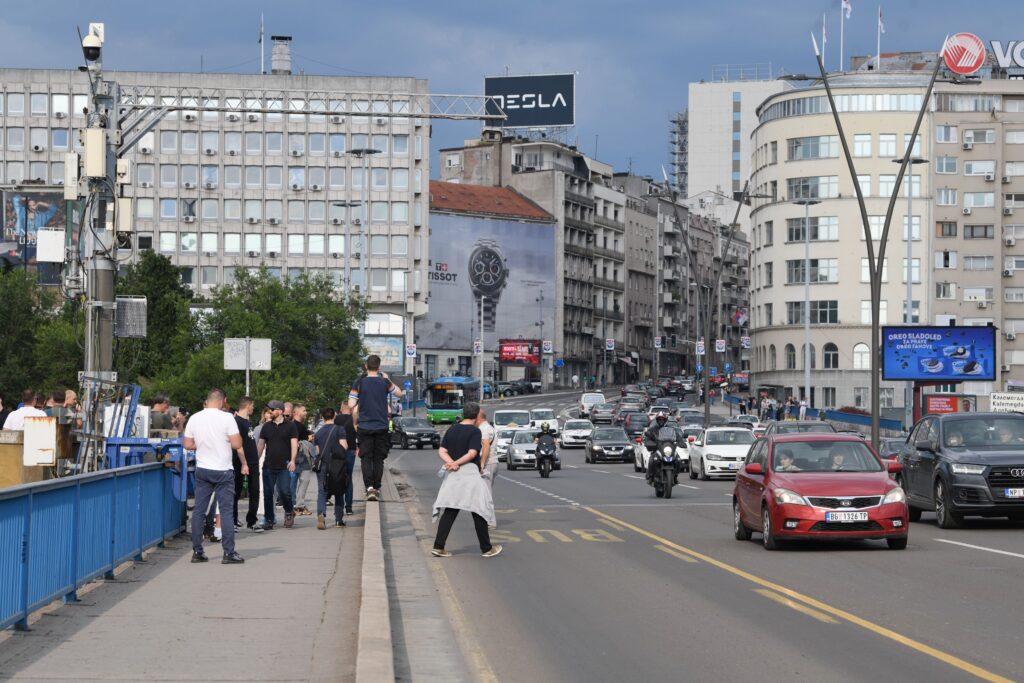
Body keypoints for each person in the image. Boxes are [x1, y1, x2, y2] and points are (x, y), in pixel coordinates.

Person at [430, 402, 501, 558]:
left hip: (453, 476)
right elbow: (471, 453)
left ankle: (438, 546)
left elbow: (442, 450)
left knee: (450, 509)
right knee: (479, 510)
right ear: (476, 417)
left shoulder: (452, 429)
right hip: (469, 474)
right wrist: (456, 463)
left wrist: (450, 462)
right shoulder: (474, 431)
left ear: (462, 414)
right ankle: (486, 548)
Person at [184, 389, 244, 564]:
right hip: (223, 470)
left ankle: (197, 551)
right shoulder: (227, 418)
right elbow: (237, 443)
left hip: (202, 469)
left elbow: (187, 444)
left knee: (199, 511)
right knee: (226, 512)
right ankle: (228, 553)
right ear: (223, 401)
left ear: (207, 400)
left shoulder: (194, 418)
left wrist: (203, 445)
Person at [349, 354, 404, 502]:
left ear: (366, 366)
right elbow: (399, 393)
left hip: (364, 426)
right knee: (379, 459)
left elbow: (350, 405)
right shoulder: (384, 382)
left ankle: (369, 489)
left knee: (366, 458)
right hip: (381, 426)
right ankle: (377, 487)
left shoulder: (359, 382)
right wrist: (387, 379)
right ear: (379, 367)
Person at [257, 400, 298, 529]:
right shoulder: (266, 426)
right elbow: (261, 445)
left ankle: (289, 512)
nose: (270, 412)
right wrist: (254, 462)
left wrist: (292, 460)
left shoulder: (290, 426)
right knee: (268, 493)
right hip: (268, 465)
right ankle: (269, 519)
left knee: (284, 491)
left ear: (280, 411)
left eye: (272, 409)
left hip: (284, 465)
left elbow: (294, 445)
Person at [314, 407, 349, 529]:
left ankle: (321, 514)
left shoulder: (318, 433)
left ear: (323, 418)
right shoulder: (339, 429)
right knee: (339, 491)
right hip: (336, 465)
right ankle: (339, 520)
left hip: (322, 465)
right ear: (334, 416)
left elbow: (317, 451)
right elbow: (344, 447)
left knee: (322, 491)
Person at [233, 396, 263, 533]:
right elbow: (238, 444)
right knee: (236, 491)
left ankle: (252, 521)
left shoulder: (247, 422)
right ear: (248, 405)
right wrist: (243, 462)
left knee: (254, 491)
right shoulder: (236, 422)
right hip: (240, 461)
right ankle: (233, 520)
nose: (253, 408)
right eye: (252, 405)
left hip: (253, 461)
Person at [335, 403, 358, 516]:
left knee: (338, 477)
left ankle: (338, 507)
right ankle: (348, 507)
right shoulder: (354, 419)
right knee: (348, 478)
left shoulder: (336, 419)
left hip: (337, 452)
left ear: (341, 408)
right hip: (351, 450)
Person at [292, 404, 315, 516]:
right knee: (298, 481)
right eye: (304, 411)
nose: (306, 413)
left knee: (304, 481)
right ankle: (296, 506)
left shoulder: (300, 425)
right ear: (296, 412)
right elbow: (295, 441)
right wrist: (307, 439)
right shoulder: (294, 425)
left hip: (302, 458)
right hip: (298, 457)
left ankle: (299, 505)